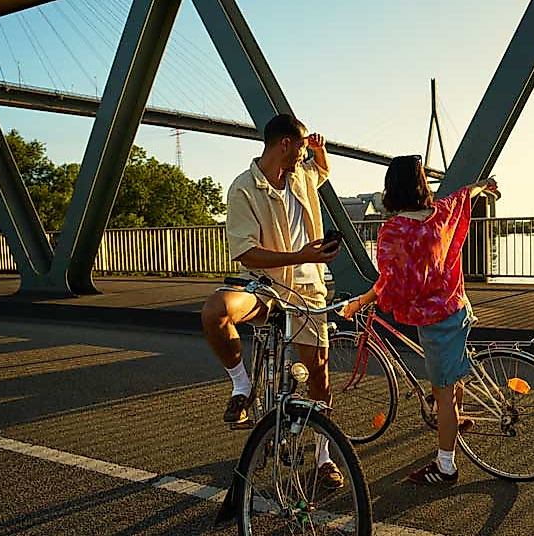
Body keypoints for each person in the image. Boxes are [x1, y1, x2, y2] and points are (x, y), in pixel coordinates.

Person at [201, 113, 344, 489]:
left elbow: (322, 170)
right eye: (299, 148)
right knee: (215, 310)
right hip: (264, 285)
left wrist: (320, 150)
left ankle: (325, 457)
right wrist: (302, 256)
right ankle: (241, 385)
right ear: (284, 144)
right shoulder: (243, 188)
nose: (302, 156)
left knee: (319, 378)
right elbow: (247, 253)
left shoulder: (301, 178)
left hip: (308, 290)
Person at [340, 155, 498, 485]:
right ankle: (457, 419)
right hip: (458, 307)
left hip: (436, 321)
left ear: (391, 188)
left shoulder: (395, 230)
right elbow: (464, 195)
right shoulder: (440, 214)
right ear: (422, 184)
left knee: (442, 391)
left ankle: (445, 466)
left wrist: (365, 301)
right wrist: (485, 186)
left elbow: (391, 282)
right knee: (453, 379)